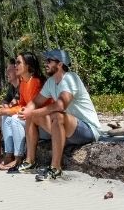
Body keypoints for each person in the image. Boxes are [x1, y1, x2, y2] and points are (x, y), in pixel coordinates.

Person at [19, 49, 102, 179]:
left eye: (49, 61)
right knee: (32, 116)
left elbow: (60, 105)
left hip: (88, 130)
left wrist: (32, 111)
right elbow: (36, 102)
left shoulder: (71, 78)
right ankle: (30, 161)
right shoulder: (51, 81)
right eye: (46, 61)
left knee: (57, 116)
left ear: (60, 64)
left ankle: (55, 168)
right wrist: (27, 110)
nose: (45, 64)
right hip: (67, 130)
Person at [0, 52, 45, 171]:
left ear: (28, 66)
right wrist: (6, 111)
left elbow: (31, 107)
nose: (15, 65)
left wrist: (8, 111)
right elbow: (22, 104)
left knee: (15, 119)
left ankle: (18, 158)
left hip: (40, 119)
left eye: (18, 63)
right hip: (28, 116)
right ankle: (8, 156)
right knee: (7, 118)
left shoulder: (36, 82)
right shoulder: (23, 83)